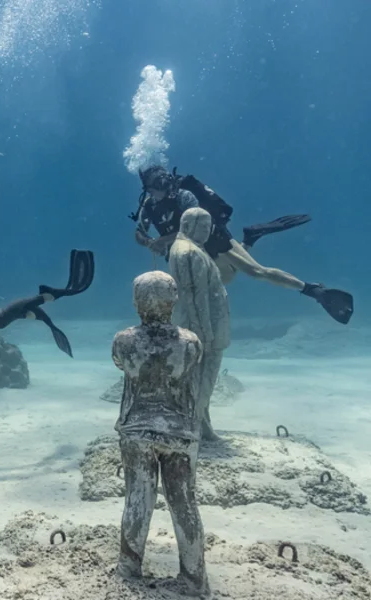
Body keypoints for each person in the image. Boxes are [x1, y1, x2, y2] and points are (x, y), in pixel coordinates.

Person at [132, 165, 353, 324]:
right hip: (187, 253)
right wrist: (149, 242)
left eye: (160, 184)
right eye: (154, 186)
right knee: (224, 279)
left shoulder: (184, 197)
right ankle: (249, 239)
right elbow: (139, 233)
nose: (158, 189)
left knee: (256, 272)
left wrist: (162, 240)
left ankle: (313, 290)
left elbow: (195, 226)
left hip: (215, 241)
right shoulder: (149, 206)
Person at [112, 270, 209, 596]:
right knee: (184, 503)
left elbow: (122, 365)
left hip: (137, 430)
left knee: (138, 500)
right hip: (181, 432)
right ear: (173, 300)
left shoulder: (124, 341)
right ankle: (194, 578)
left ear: (136, 302)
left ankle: (129, 571)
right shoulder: (190, 342)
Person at [169, 208, 231, 443]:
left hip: (204, 326)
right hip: (205, 328)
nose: (208, 231)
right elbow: (195, 296)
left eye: (209, 227)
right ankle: (194, 427)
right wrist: (203, 333)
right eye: (203, 227)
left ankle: (202, 424)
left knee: (200, 379)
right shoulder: (189, 252)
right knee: (203, 379)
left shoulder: (189, 249)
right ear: (187, 226)